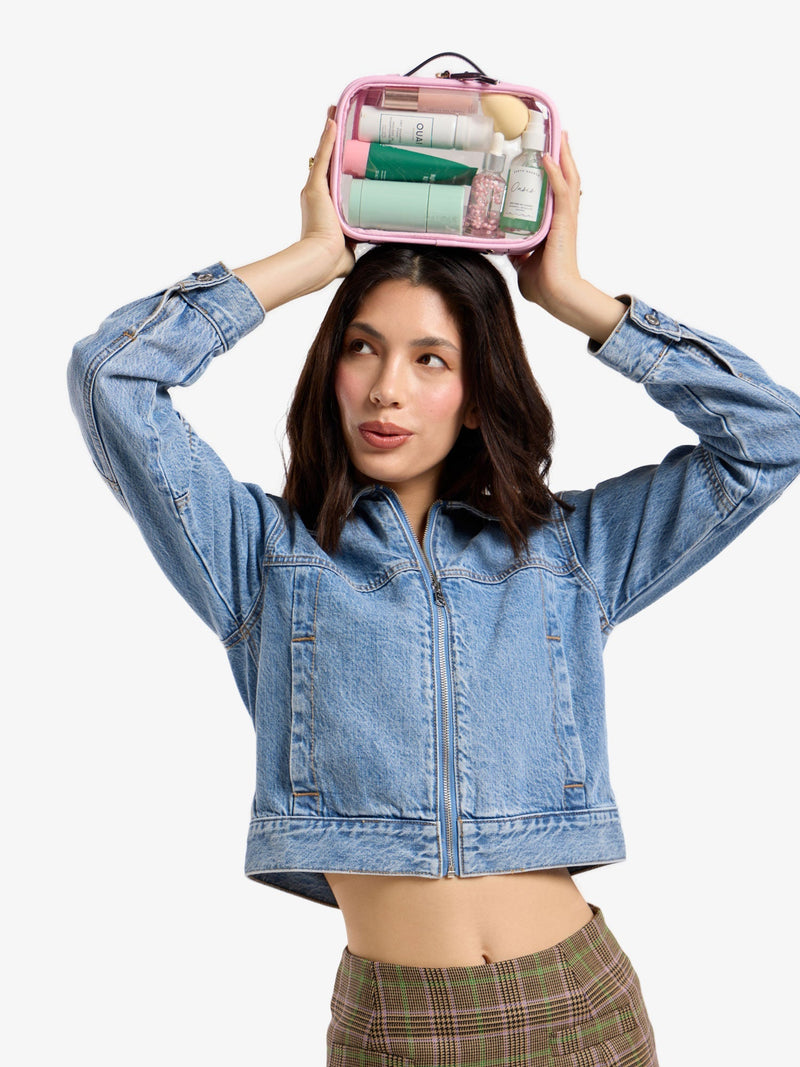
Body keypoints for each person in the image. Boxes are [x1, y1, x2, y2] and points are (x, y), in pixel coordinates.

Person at [68, 116, 800, 1067]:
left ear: (476, 387)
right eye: (363, 348)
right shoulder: (264, 556)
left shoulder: (568, 552)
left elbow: (769, 438)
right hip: (399, 1026)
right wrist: (310, 258)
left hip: (583, 1002)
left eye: (430, 359)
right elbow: (110, 375)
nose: (386, 390)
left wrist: (574, 297)